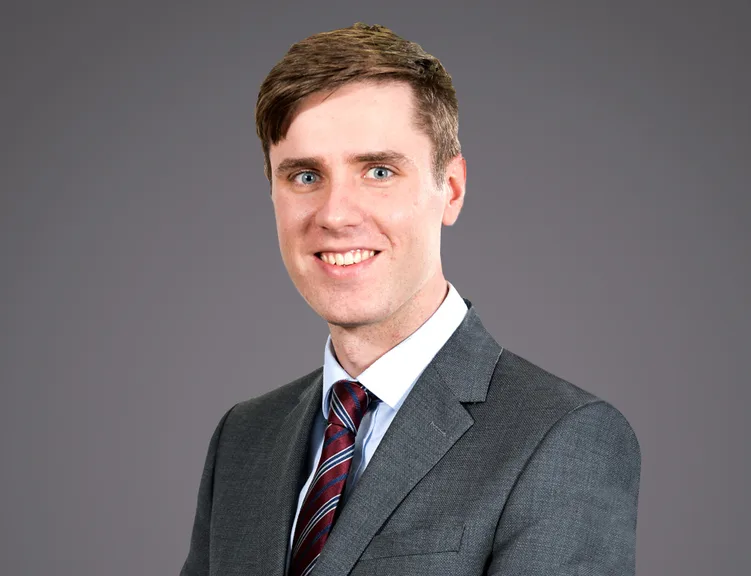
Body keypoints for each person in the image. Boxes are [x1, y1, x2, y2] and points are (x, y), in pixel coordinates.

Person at [180, 23, 641, 576]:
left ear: (450, 188)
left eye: (378, 171)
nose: (335, 214)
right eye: (305, 175)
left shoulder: (563, 439)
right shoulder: (243, 440)